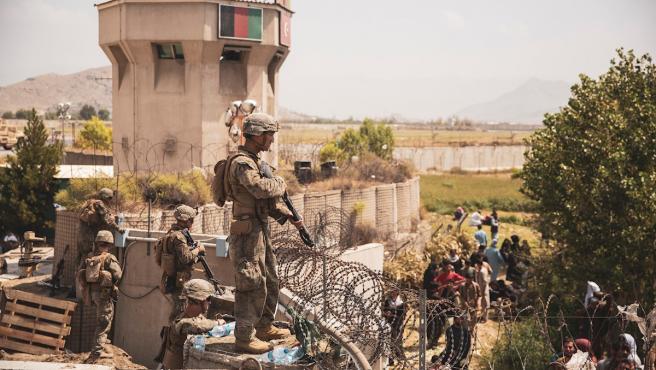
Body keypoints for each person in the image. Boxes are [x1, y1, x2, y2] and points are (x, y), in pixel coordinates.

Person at [224, 113, 304, 354]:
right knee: (250, 282)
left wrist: (284, 214)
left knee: (270, 278)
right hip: (247, 232)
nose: (271, 140)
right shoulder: (242, 162)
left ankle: (264, 326)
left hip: (259, 229)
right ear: (257, 134)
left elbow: (264, 202)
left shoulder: (255, 160)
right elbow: (259, 189)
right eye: (269, 134)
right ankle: (244, 337)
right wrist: (281, 183)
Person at [76, 230, 122, 359]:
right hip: (104, 295)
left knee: (101, 319)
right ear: (110, 244)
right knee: (104, 321)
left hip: (91, 294)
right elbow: (118, 274)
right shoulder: (108, 257)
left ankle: (103, 343)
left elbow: (80, 273)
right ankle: (97, 351)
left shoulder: (89, 256)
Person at [161, 279, 225, 369]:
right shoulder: (182, 320)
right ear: (199, 301)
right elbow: (193, 325)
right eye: (208, 299)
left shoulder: (198, 317)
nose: (209, 302)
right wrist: (218, 323)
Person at [157, 205, 206, 322]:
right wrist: (198, 249)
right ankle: (173, 338)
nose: (192, 223)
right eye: (191, 220)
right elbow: (186, 258)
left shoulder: (170, 233)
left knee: (177, 312)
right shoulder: (179, 237)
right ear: (187, 221)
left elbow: (160, 258)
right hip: (179, 282)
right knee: (180, 313)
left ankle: (172, 336)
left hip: (173, 278)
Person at [76, 188, 123, 295]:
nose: (110, 201)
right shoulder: (99, 204)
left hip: (81, 236)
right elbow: (107, 219)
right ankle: (89, 288)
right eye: (110, 198)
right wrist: (118, 228)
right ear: (106, 197)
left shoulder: (89, 203)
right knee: (92, 261)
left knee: (81, 260)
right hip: (89, 238)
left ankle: (79, 287)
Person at [383, 289, 406, 365]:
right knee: (390, 341)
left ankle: (400, 356)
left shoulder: (401, 302)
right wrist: (386, 313)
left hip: (398, 323)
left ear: (397, 293)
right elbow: (383, 311)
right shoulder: (387, 301)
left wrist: (393, 314)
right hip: (389, 323)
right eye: (391, 292)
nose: (392, 293)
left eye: (394, 292)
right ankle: (391, 359)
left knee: (398, 340)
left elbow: (403, 314)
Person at [473, 256, 491, 323]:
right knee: (483, 304)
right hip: (482, 289)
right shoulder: (481, 270)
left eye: (477, 264)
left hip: (484, 289)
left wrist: (482, 292)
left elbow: (485, 282)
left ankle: (485, 318)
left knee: (485, 304)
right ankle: (483, 316)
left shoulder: (482, 272)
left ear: (479, 264)